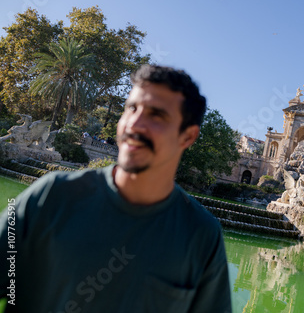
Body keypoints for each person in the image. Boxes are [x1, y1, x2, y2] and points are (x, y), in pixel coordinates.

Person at [0, 65, 232, 312]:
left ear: (187, 137)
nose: (134, 124)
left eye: (156, 115)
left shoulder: (202, 234)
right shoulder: (52, 195)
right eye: (132, 108)